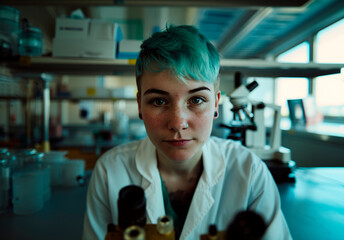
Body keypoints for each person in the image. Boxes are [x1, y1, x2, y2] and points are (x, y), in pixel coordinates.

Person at [82, 25, 292, 240]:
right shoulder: (111, 171)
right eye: (159, 100)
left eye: (197, 100)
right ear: (140, 106)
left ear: (216, 105)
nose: (178, 123)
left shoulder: (250, 172)